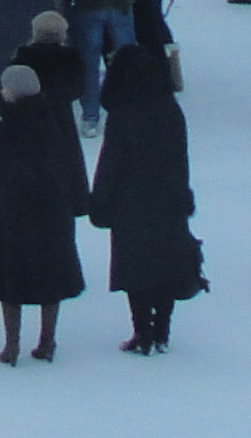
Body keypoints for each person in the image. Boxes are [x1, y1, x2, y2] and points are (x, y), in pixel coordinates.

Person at [86, 42, 201, 354]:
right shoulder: (170, 109)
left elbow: (111, 161)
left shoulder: (123, 113)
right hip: (168, 198)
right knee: (164, 264)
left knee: (135, 267)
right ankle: (162, 328)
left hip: (129, 201)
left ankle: (142, 331)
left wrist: (100, 201)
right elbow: (181, 159)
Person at [0, 60, 84, 365]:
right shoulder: (53, 117)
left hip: (11, 209)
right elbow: (71, 158)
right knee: (51, 275)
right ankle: (47, 341)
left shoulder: (8, 123)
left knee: (10, 276)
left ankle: (11, 346)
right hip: (52, 207)